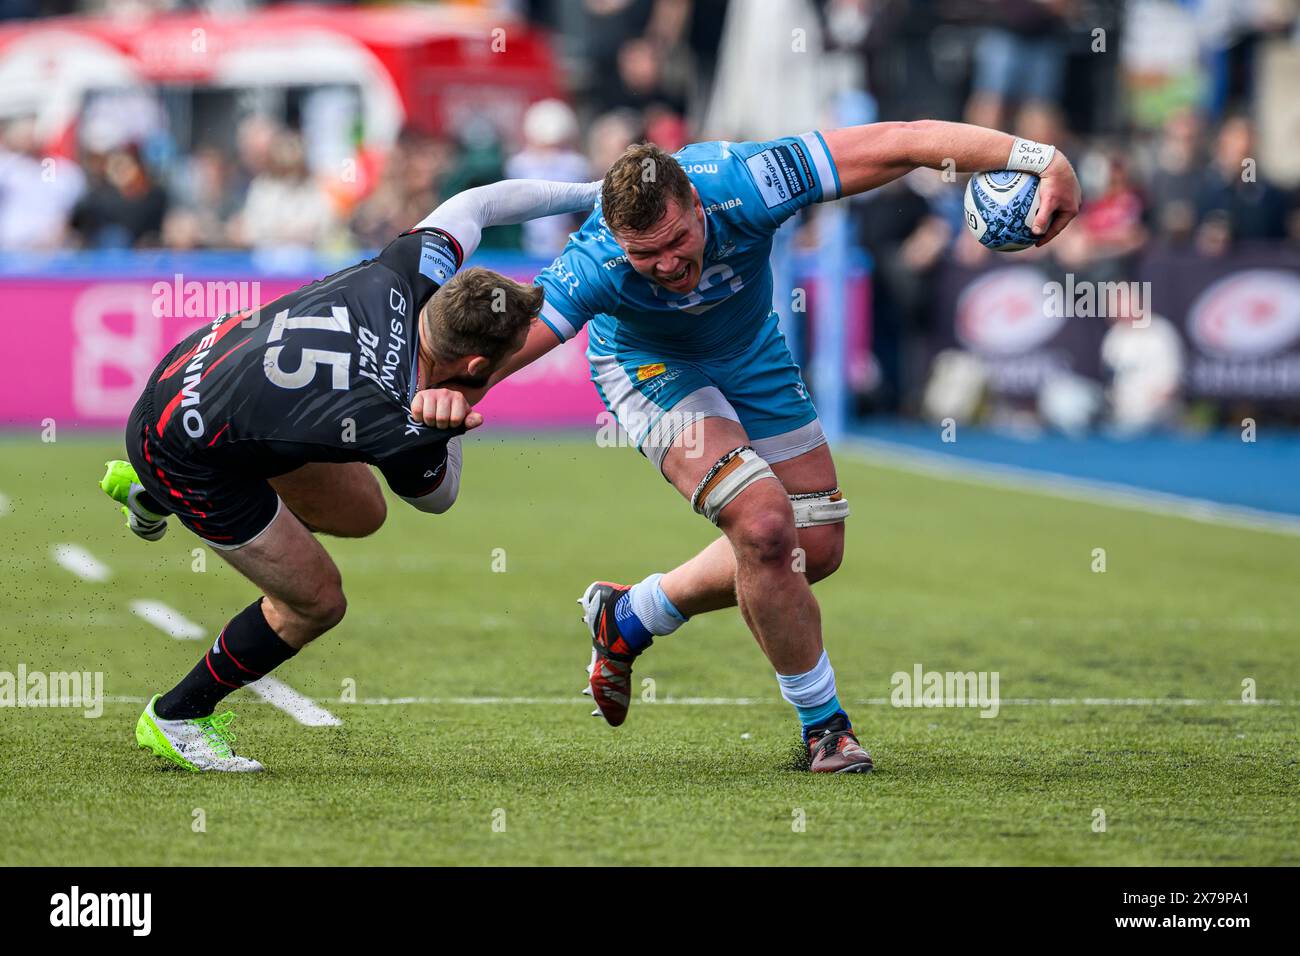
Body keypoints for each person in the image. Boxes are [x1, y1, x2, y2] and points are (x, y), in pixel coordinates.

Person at [416, 121, 1080, 773]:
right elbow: (492, 359)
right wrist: (440, 398)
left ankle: (632, 615)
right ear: (619, 242)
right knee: (764, 526)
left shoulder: (749, 179)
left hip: (749, 350)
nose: (668, 264)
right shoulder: (594, 261)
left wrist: (1040, 156)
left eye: (678, 239)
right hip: (651, 368)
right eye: (646, 255)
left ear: (698, 207)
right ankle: (826, 728)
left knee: (812, 549)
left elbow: (901, 145)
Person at [99, 177, 599, 772]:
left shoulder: (408, 269)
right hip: (182, 449)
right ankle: (179, 714)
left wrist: (591, 191)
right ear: (472, 366)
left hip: (190, 368)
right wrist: (446, 420)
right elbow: (441, 499)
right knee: (316, 601)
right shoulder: (388, 418)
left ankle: (148, 493)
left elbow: (479, 204)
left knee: (362, 514)